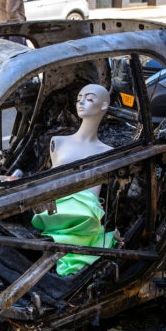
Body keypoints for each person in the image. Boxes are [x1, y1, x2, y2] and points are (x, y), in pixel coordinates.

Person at [31, 84, 115, 276]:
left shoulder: (108, 153)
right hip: (55, 211)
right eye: (79, 98)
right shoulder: (58, 141)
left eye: (90, 98)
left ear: (103, 106)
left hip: (85, 218)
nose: (82, 102)